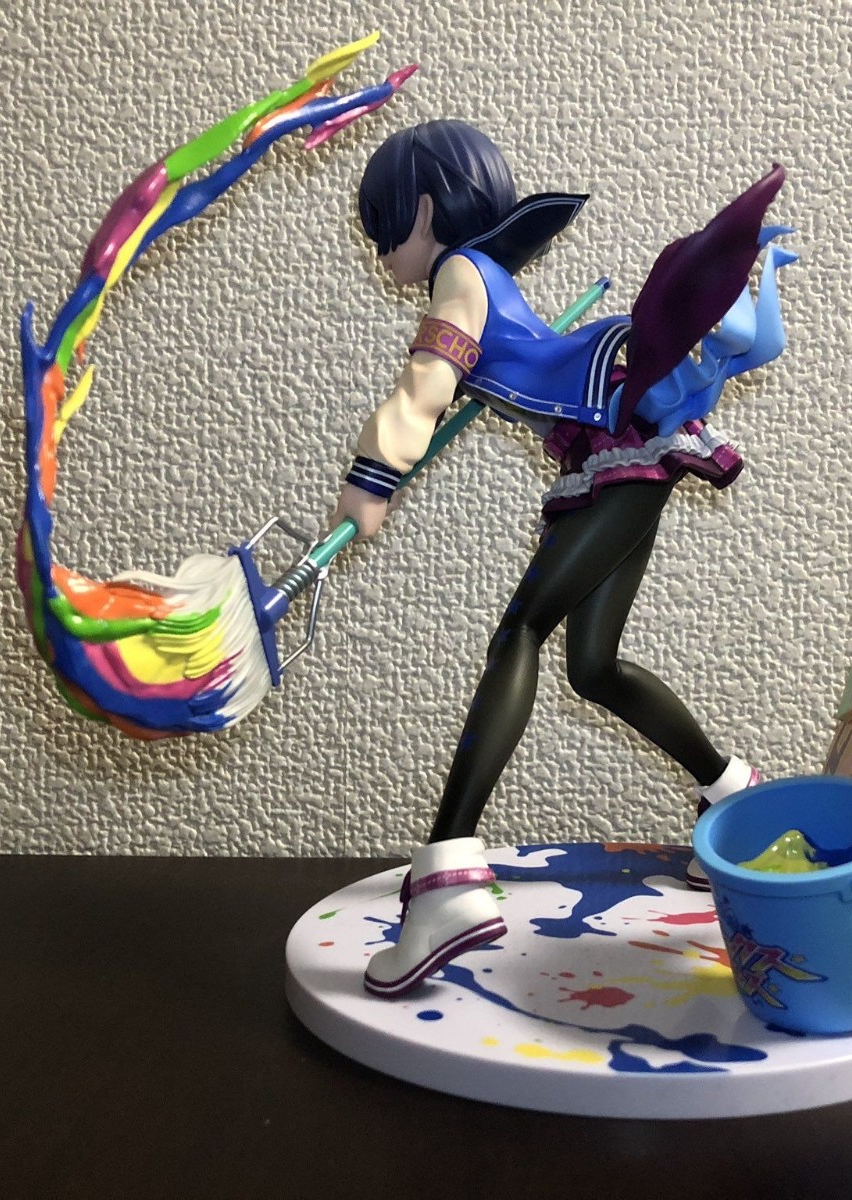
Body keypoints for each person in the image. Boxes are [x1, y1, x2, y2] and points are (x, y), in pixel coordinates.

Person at [332, 121, 794, 998]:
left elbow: (424, 385)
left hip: (621, 444)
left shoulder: (459, 274)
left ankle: (447, 875)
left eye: (382, 227)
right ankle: (735, 796)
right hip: (613, 449)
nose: (381, 251)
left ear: (422, 211)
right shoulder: (486, 275)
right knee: (593, 667)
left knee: (519, 635)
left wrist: (372, 477)